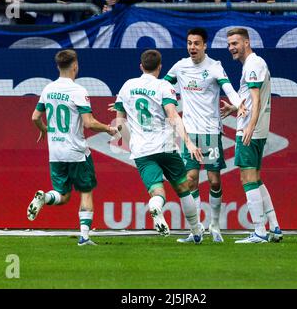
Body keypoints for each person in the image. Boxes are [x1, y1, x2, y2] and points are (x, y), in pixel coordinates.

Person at [111, 49, 205, 244]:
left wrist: (130, 143)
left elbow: (119, 123)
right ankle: (196, 231)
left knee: (157, 191)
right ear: (160, 67)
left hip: (142, 151)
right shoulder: (163, 86)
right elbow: (172, 115)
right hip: (165, 147)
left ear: (141, 66)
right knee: (183, 188)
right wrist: (188, 142)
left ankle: (156, 206)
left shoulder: (127, 86)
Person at [27, 49, 119, 246]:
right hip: (76, 151)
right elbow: (89, 123)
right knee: (85, 192)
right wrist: (109, 129)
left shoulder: (48, 89)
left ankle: (44, 196)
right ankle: (84, 237)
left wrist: (44, 129)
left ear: (58, 66)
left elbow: (35, 117)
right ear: (75, 65)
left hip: (56, 153)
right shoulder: (78, 91)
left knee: (63, 195)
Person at [164, 28, 245, 244]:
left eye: (196, 43)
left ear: (205, 46)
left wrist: (238, 105)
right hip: (189, 133)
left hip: (210, 131)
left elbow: (229, 89)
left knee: (213, 179)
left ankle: (215, 225)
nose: (192, 47)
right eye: (189, 43)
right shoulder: (180, 66)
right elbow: (162, 85)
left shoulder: (214, 67)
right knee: (190, 180)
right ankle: (196, 230)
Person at [221, 28, 283, 243]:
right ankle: (274, 227)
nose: (231, 48)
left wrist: (249, 126)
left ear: (246, 42)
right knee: (255, 177)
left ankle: (259, 231)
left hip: (250, 129)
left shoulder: (253, 65)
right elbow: (250, 97)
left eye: (235, 43)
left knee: (247, 177)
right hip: (257, 128)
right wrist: (234, 107)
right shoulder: (253, 64)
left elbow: (256, 100)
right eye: (229, 44)